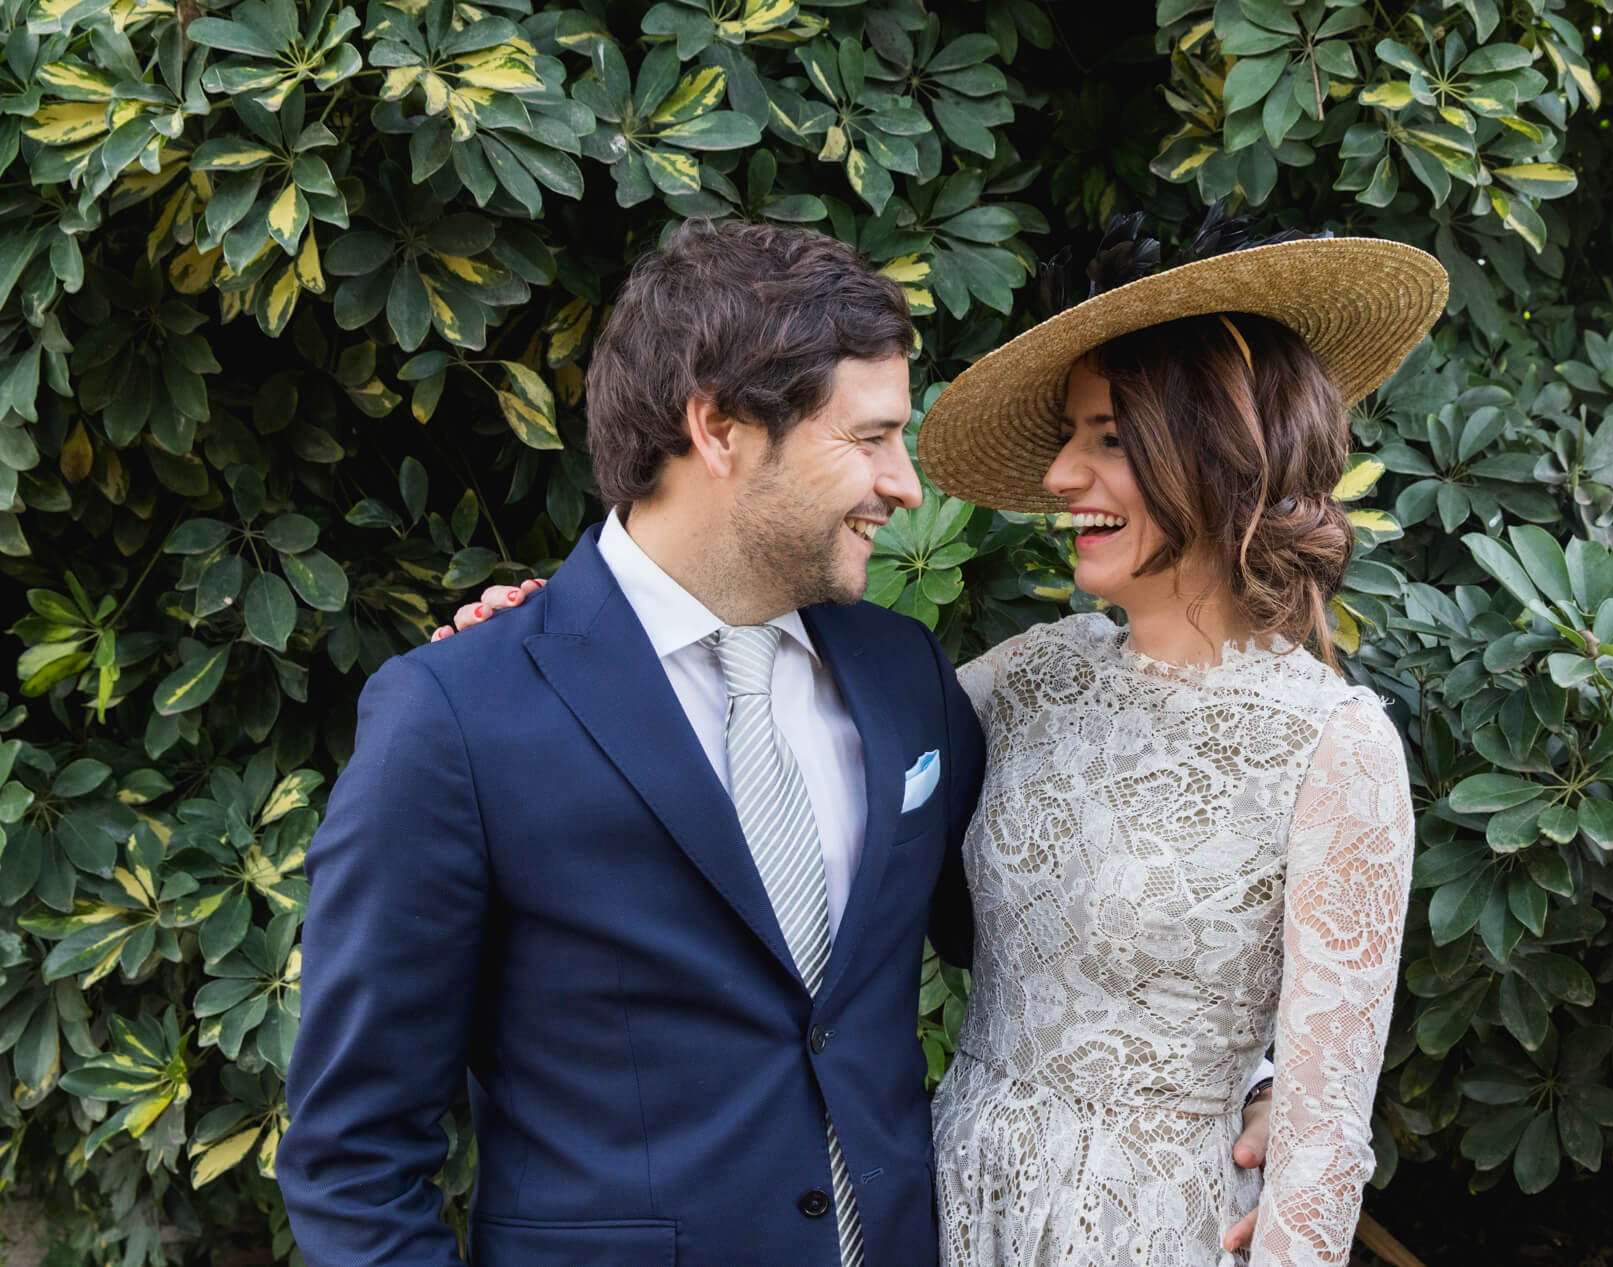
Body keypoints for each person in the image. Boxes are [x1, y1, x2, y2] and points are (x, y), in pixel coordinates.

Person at [279, 218, 1281, 1266]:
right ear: (719, 430)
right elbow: (353, 1157)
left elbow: (1043, 940)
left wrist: (1249, 1075)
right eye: (868, 438)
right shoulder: (458, 716)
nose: (905, 485)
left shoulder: (906, 677)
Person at [913, 220, 1444, 1265]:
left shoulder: (1331, 746)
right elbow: (815, 746)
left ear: (1212, 451)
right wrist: (579, 641)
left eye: (1107, 436)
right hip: (952, 1200)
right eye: (1073, 433)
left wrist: (1264, 1093)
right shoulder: (1034, 673)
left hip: (1148, 1230)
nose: (1062, 475)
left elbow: (1324, 1128)